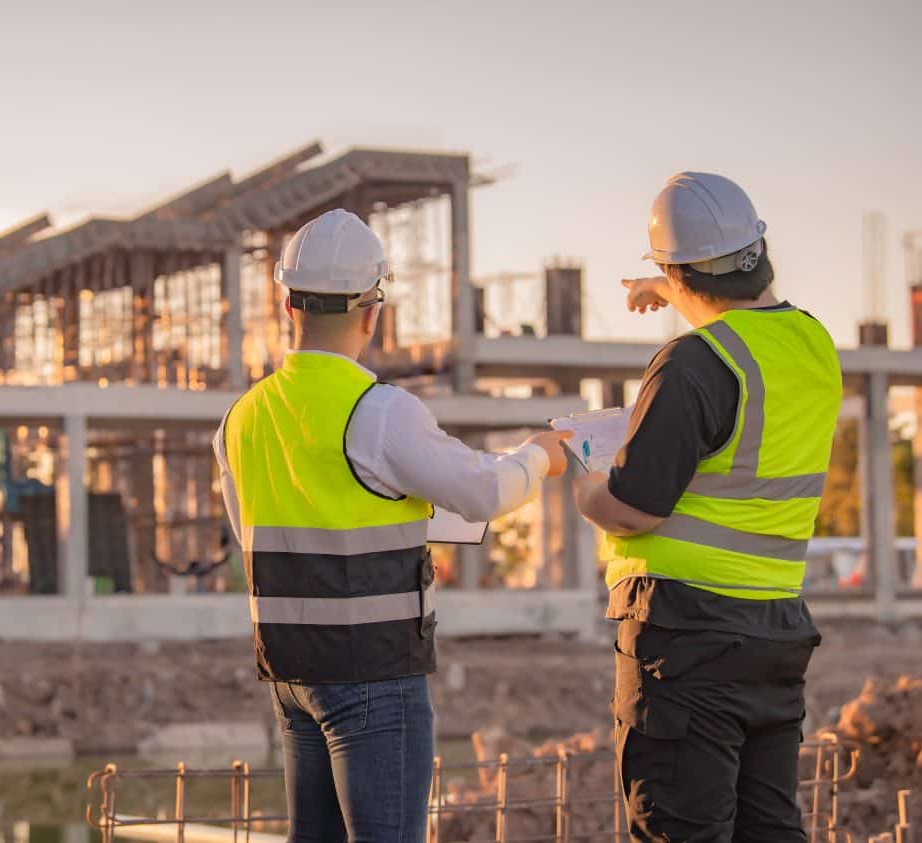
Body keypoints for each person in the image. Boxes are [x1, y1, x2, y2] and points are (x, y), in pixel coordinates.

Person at [212, 208, 570, 842]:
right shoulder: (380, 412)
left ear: (289, 306)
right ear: (372, 313)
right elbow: (482, 490)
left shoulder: (242, 418)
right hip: (372, 674)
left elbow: (260, 534)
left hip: (292, 673)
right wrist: (542, 455)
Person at [573, 172, 841, 841]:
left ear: (677, 269)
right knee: (768, 829)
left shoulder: (692, 364)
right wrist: (667, 286)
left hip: (686, 639)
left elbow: (633, 509)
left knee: (680, 829)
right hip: (776, 633)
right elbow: (743, 311)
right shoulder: (814, 346)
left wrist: (582, 482)